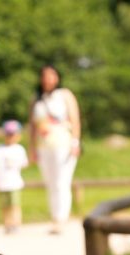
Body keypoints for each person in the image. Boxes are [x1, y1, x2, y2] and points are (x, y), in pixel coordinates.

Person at [29, 64, 81, 234]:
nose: (47, 79)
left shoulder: (65, 95)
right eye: (44, 76)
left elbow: (74, 119)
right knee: (50, 183)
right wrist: (32, 148)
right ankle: (54, 217)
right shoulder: (37, 99)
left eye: (51, 75)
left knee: (61, 182)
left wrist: (75, 142)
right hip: (44, 146)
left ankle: (61, 218)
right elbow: (32, 126)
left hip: (63, 143)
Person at [0, 119, 29, 234]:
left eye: (13, 134)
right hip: (2, 183)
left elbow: (24, 164)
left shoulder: (20, 149)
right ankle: (7, 224)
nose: (10, 137)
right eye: (8, 134)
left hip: (14, 182)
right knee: (4, 206)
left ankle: (16, 223)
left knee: (15, 204)